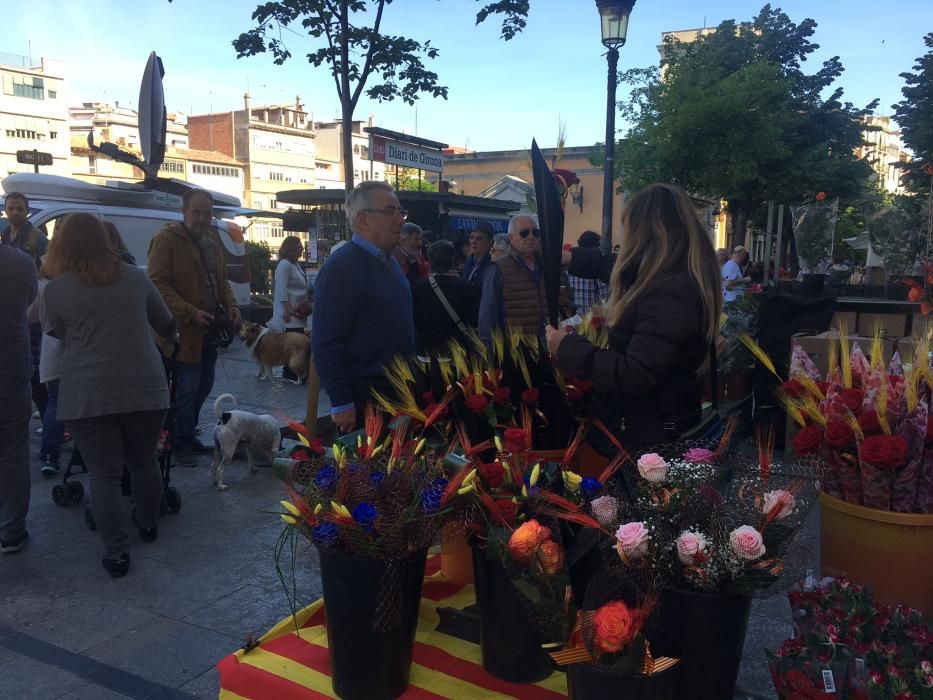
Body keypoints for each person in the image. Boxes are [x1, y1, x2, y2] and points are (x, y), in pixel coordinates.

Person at [44, 213, 177, 577]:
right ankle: (147, 523)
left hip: (87, 395)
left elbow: (59, 335)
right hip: (146, 390)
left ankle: (117, 553)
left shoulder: (55, 289)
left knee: (103, 476)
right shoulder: (136, 278)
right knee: (144, 461)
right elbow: (167, 323)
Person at [546, 183, 723, 454]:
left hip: (647, 433)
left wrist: (568, 346)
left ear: (644, 234)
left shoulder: (670, 291)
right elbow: (622, 267)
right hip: (656, 419)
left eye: (627, 226)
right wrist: (572, 258)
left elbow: (634, 373)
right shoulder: (673, 274)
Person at [147, 189, 241, 466]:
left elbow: (221, 280)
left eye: (207, 212)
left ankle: (184, 432)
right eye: (197, 212)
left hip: (209, 330)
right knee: (187, 387)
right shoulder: (165, 240)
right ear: (184, 212)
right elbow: (157, 283)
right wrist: (190, 313)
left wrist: (232, 305)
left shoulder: (212, 240)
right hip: (182, 332)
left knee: (204, 384)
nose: (202, 218)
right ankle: (181, 441)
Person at [312, 181, 415, 433]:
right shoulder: (341, 267)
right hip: (363, 402)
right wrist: (341, 401)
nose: (400, 219)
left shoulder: (391, 264)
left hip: (397, 395)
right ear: (363, 220)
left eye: (400, 211)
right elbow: (326, 341)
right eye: (390, 211)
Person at [0, 242, 37, 554]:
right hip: (10, 371)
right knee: (13, 451)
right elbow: (30, 301)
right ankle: (12, 531)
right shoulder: (21, 263)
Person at [28, 238, 68, 477]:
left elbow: (29, 316)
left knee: (55, 402)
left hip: (50, 350)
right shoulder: (75, 281)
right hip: (76, 349)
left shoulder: (43, 283)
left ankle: (50, 454)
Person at [478, 214, 546, 342]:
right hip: (515, 350)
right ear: (511, 237)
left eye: (535, 233)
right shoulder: (498, 269)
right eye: (524, 233)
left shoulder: (546, 267)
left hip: (547, 347)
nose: (531, 237)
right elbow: (487, 316)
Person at [413, 240, 479, 354]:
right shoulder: (465, 286)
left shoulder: (420, 286)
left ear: (429, 260)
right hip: (456, 348)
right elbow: (473, 319)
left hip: (427, 348)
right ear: (452, 259)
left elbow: (415, 319)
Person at [269, 235, 310, 383]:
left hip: (297, 313)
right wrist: (286, 308)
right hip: (290, 314)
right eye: (298, 245)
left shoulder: (295, 264)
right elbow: (281, 288)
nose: (301, 248)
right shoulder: (285, 264)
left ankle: (295, 372)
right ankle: (290, 373)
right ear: (291, 247)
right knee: (293, 344)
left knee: (297, 344)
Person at [567, 230, 609, 313]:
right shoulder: (596, 266)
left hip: (572, 316)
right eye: (598, 246)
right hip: (590, 320)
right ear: (594, 247)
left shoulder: (571, 265)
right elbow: (605, 297)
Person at [461, 222, 495, 289]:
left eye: (478, 238)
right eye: (471, 237)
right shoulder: (469, 261)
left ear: (489, 242)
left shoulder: (493, 264)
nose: (473, 241)